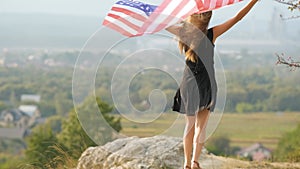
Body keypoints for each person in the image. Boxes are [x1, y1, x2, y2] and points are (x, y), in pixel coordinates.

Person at [166, 0, 259, 168]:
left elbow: (163, 24)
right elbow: (237, 17)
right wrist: (253, 1)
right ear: (207, 19)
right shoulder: (211, 34)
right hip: (207, 83)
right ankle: (195, 162)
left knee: (190, 125)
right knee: (201, 126)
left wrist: (149, 15)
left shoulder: (184, 33)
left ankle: (187, 164)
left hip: (188, 83)